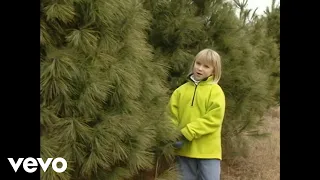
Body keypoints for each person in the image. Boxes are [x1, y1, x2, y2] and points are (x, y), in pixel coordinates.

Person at [167, 48, 226, 180]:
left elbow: (213, 119)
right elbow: (171, 117)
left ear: (214, 70)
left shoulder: (216, 92)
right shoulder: (180, 92)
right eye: (198, 63)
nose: (200, 68)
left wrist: (188, 132)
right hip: (184, 151)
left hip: (208, 152)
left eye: (206, 66)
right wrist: (173, 135)